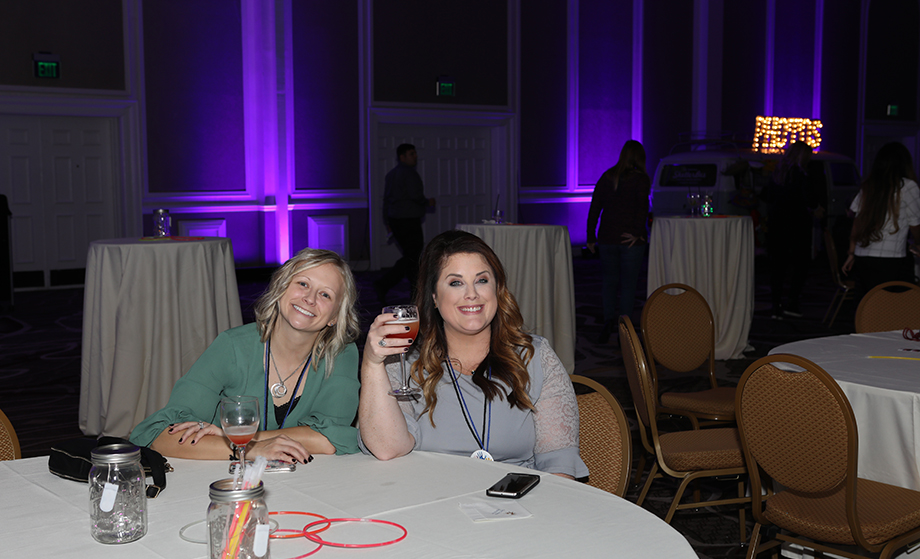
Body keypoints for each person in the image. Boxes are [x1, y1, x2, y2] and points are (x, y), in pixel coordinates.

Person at [358, 230, 588, 480]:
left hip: (518, 498)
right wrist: (371, 363)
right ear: (434, 297)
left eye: (482, 280)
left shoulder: (534, 357)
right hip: (431, 497)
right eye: (456, 283)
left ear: (497, 289)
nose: (472, 294)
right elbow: (387, 447)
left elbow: (559, 463)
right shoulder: (406, 364)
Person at [129, 248, 362, 462]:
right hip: (221, 478)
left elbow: (329, 440)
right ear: (281, 288)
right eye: (303, 284)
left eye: (325, 295)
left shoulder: (340, 354)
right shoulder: (231, 346)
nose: (310, 298)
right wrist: (248, 449)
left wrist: (241, 439)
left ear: (335, 316)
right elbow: (160, 435)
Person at [586, 140, 651, 344]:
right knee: (629, 286)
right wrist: (638, 233)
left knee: (609, 282)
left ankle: (607, 322)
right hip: (630, 241)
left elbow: (595, 207)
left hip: (608, 237)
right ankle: (625, 329)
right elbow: (642, 208)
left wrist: (590, 236)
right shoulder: (641, 180)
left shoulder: (608, 176)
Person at [842, 141, 920, 294]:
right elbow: (916, 224)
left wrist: (851, 252)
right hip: (891, 258)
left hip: (863, 256)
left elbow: (857, 221)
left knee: (869, 302)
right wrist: (918, 243)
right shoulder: (907, 186)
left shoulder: (869, 186)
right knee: (896, 303)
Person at [761, 140, 817, 318]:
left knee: (778, 267)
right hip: (797, 226)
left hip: (777, 225)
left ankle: (776, 305)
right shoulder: (801, 175)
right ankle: (792, 302)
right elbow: (809, 200)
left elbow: (768, 197)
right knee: (801, 265)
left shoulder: (777, 173)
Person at [374, 143, 436, 303]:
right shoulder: (409, 174)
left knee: (411, 256)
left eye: (415, 153)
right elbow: (416, 195)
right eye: (411, 154)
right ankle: (385, 284)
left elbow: (386, 200)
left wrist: (387, 220)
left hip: (395, 220)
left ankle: (415, 291)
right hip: (409, 220)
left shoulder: (391, 174)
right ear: (402, 157)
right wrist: (427, 202)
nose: (415, 156)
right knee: (413, 256)